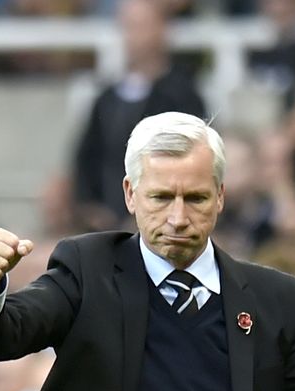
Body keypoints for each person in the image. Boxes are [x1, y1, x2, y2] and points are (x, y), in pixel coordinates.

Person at [0, 112, 295, 391]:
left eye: (195, 198)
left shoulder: (280, 301)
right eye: (161, 197)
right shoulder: (88, 269)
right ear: (130, 194)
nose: (178, 218)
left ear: (221, 197)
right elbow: (1, 338)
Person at [72, 0, 206, 231]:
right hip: (104, 221)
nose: (134, 36)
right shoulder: (106, 99)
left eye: (142, 26)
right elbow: (86, 157)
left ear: (163, 29)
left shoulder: (183, 95)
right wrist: (89, 206)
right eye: (128, 26)